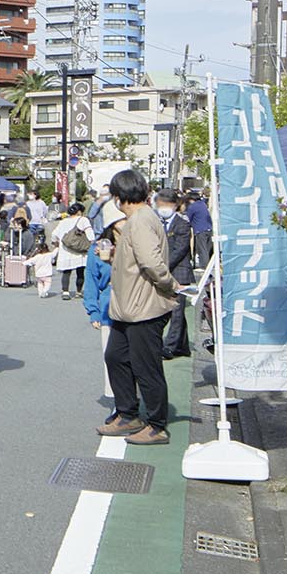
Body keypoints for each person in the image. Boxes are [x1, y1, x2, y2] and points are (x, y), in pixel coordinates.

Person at [99, 169, 179, 446]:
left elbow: (151, 263)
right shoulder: (139, 219)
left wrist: (170, 285)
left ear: (119, 197)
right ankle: (127, 413)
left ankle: (157, 425)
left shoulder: (140, 221)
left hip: (143, 307)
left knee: (146, 367)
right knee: (115, 357)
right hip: (128, 306)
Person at [84, 202, 120, 404]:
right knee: (112, 358)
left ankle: (139, 399)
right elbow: (91, 280)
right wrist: (93, 311)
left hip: (138, 307)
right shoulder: (98, 249)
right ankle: (118, 403)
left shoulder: (136, 243)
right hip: (109, 307)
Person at [156, 189, 197, 359]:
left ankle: (170, 347)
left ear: (176, 205)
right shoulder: (156, 222)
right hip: (161, 271)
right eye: (160, 204)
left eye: (167, 204)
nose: (163, 208)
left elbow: (180, 249)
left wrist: (162, 266)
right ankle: (182, 346)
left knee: (176, 310)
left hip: (179, 271)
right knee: (167, 309)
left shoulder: (182, 223)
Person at [50, 207, 94, 302]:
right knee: (80, 271)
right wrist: (91, 244)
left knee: (66, 272)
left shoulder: (63, 222)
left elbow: (54, 234)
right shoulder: (83, 219)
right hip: (79, 250)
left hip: (65, 250)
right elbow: (90, 235)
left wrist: (54, 243)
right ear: (79, 212)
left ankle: (65, 291)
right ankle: (78, 291)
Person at [185, 191, 214, 271]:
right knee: (207, 249)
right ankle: (209, 266)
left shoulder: (192, 206)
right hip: (209, 228)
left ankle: (204, 267)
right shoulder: (202, 204)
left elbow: (188, 218)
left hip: (200, 230)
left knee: (202, 249)